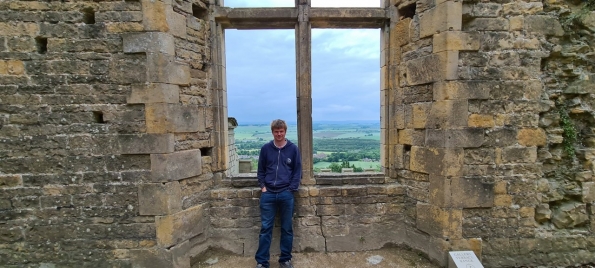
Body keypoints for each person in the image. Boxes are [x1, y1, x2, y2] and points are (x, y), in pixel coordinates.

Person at [255, 119, 302, 268]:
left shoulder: (293, 149)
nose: (279, 134)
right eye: (276, 131)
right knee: (265, 228)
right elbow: (261, 170)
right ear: (273, 132)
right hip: (268, 194)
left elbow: (297, 171)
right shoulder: (266, 149)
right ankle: (262, 262)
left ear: (285, 132)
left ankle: (285, 260)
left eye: (281, 131)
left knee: (287, 228)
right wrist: (263, 186)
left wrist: (291, 189)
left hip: (286, 193)